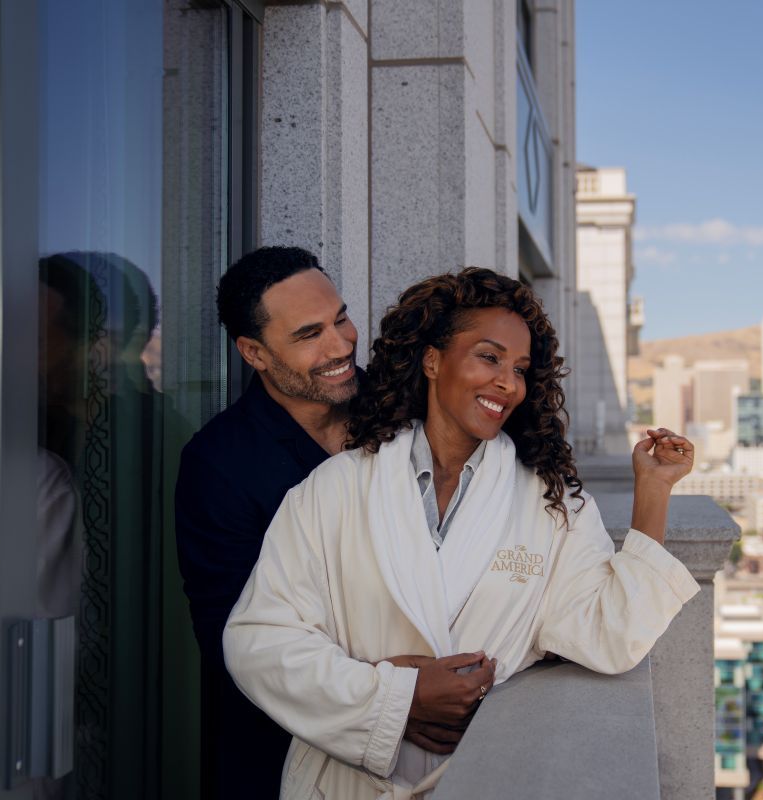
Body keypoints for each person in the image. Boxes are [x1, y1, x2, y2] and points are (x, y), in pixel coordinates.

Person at [223, 267, 699, 799]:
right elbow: (260, 643)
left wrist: (653, 490)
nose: (508, 383)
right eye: (489, 357)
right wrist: (397, 698)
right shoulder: (333, 488)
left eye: (520, 369)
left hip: (477, 778)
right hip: (343, 785)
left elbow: (610, 636)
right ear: (432, 361)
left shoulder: (551, 505)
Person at [175, 246, 359, 799]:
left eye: (341, 319)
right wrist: (392, 692)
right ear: (253, 352)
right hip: (282, 756)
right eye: (309, 334)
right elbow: (233, 640)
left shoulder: (407, 411)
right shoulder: (218, 462)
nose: (341, 345)